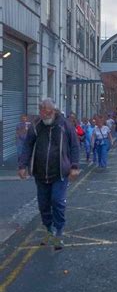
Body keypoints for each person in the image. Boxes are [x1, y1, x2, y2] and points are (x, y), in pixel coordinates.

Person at [18, 99, 80, 250]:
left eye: (46, 112)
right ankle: (48, 230)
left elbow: (74, 146)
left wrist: (74, 166)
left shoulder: (65, 125)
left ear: (54, 111)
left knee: (57, 201)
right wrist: (22, 165)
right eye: (41, 111)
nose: (43, 115)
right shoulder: (36, 125)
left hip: (60, 173)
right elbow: (27, 145)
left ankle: (58, 232)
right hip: (40, 173)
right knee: (43, 204)